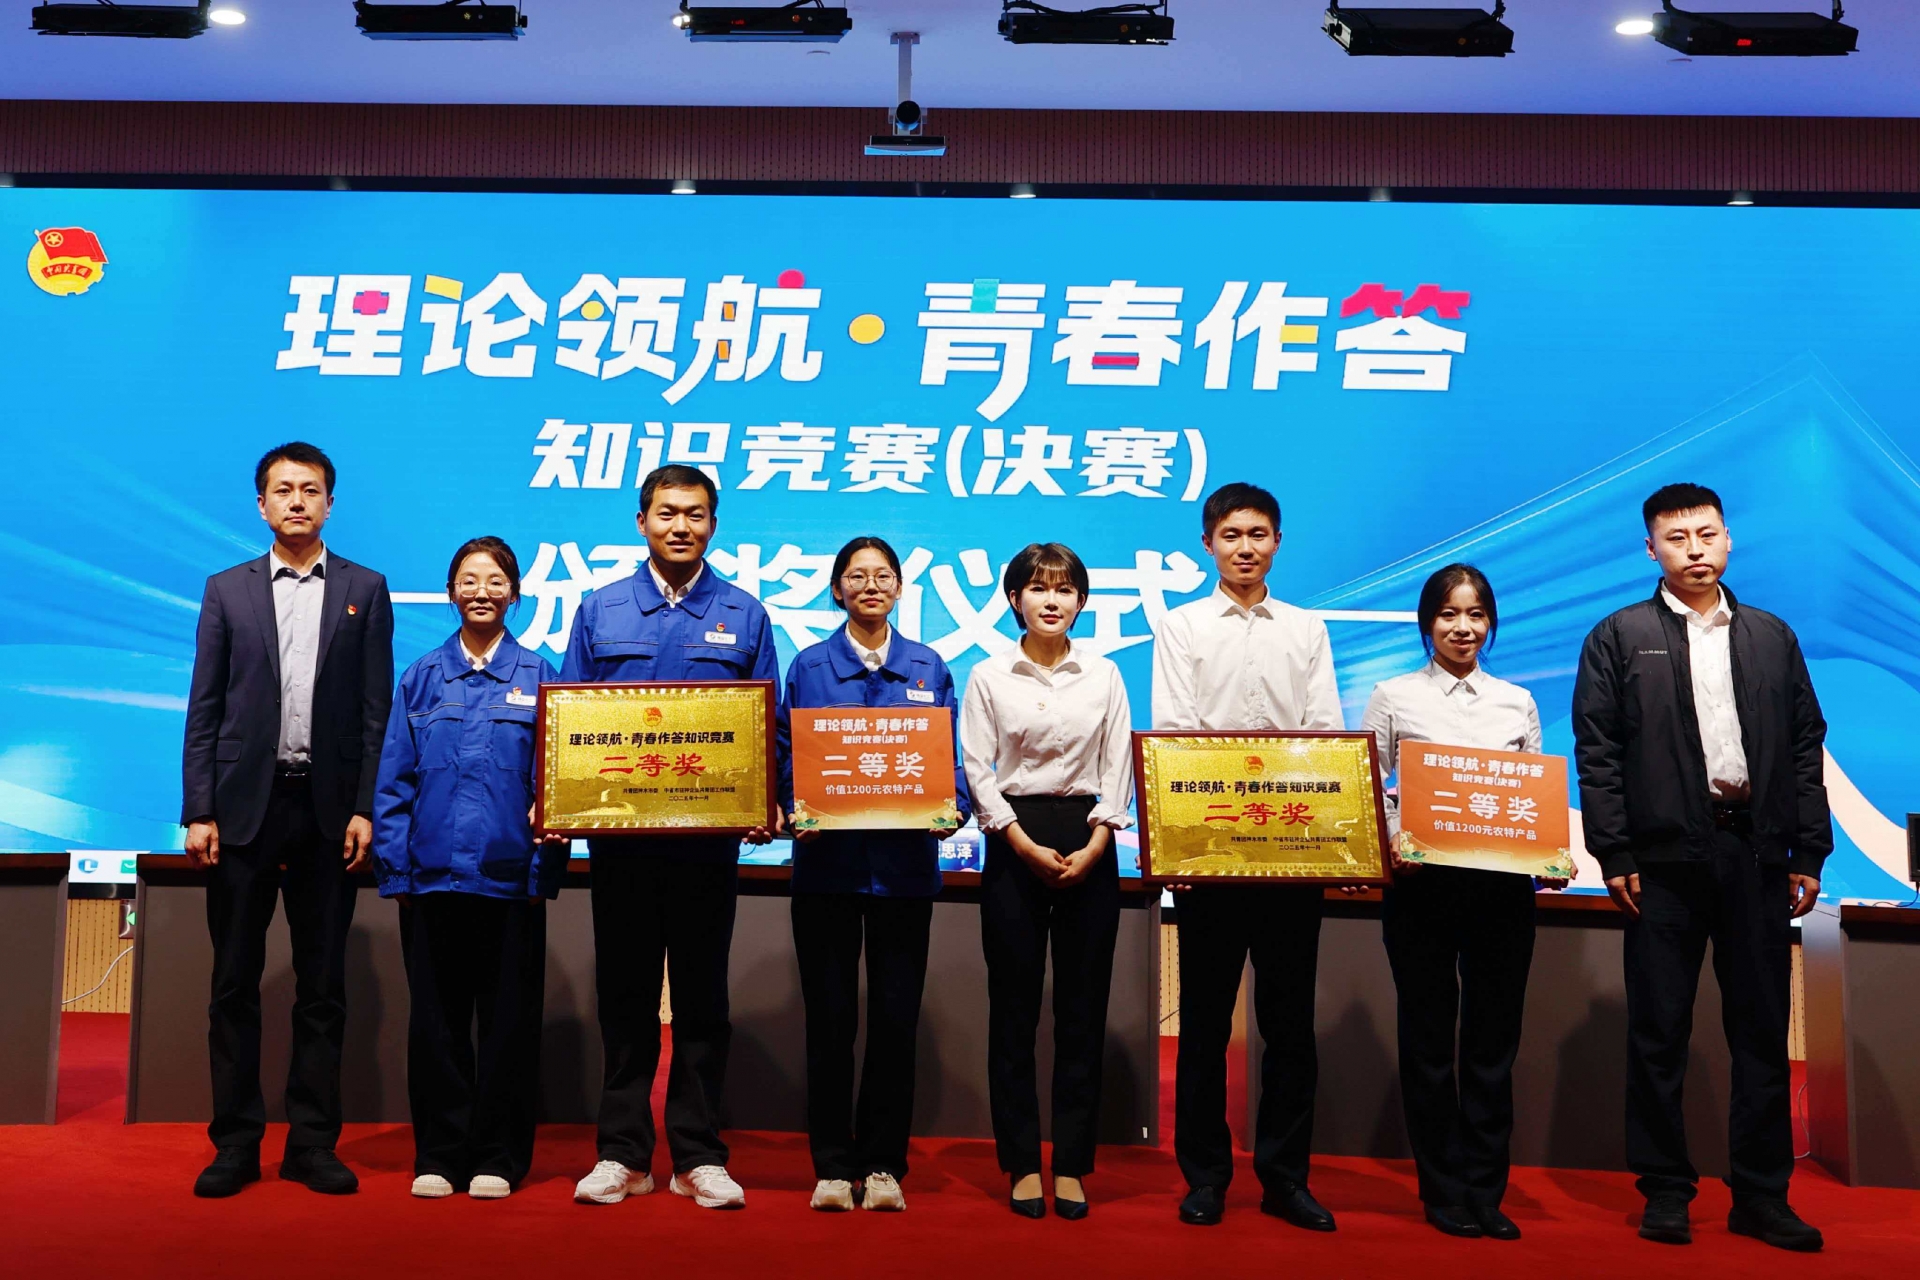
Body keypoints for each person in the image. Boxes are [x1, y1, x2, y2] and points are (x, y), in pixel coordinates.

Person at [1572, 483, 1830, 1253]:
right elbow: (1598, 751)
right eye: (1676, 538)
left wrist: (1808, 849)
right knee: (1659, 1030)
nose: (1694, 549)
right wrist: (1614, 851)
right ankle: (1665, 1190)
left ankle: (1762, 1196)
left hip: (1755, 854)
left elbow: (1804, 746)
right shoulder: (1619, 636)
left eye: (1706, 534)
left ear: (1727, 539)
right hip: (1661, 864)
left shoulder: (1771, 635)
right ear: (1650, 548)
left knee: (1762, 1030)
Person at [561, 465, 780, 1211]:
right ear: (642, 522)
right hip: (620, 843)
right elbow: (569, 724)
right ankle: (622, 1154)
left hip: (706, 845)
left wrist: (767, 801)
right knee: (624, 998)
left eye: (694, 513)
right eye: (666, 512)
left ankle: (698, 1155)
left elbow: (767, 726)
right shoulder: (601, 609)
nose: (680, 525)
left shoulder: (744, 614)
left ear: (713, 525)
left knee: (701, 998)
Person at [181, 441, 394, 1198]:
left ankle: (312, 1143)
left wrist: (367, 805)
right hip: (243, 808)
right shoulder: (226, 590)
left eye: (310, 489)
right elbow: (205, 706)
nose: (297, 500)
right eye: (283, 489)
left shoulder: (365, 588)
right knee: (233, 984)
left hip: (328, 811)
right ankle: (235, 1144)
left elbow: (375, 711)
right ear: (262, 504)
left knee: (323, 987)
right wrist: (199, 808)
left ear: (330, 503)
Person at [1151, 482, 1343, 1230]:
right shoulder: (1182, 626)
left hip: (1293, 852)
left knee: (1289, 1027)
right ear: (1208, 545)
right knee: (1203, 1026)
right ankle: (1205, 1177)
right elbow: (1174, 731)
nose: (1245, 547)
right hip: (1210, 853)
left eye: (1258, 534)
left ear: (1278, 542)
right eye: (1231, 535)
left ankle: (1285, 1178)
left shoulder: (1305, 627)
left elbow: (1324, 730)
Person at [1363, 563, 1565, 1242]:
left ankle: (1486, 1188)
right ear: (1427, 623)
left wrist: (1549, 854)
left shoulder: (1516, 701)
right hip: (1423, 889)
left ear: (1491, 623)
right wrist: (1394, 839)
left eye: (1476, 614)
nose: (1463, 627)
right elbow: (1373, 788)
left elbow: (1532, 796)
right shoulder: (1393, 696)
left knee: (1491, 1045)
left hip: (1502, 894)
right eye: (1449, 614)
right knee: (1427, 1043)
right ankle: (1442, 1189)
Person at [780, 535, 971, 1214]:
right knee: (829, 1023)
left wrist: (954, 807)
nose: (870, 585)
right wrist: (789, 805)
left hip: (904, 875)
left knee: (895, 1020)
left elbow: (949, 755)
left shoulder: (927, 665)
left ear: (899, 588)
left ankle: (885, 1164)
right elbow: (786, 752)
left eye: (883, 575)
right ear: (837, 589)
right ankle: (833, 1165)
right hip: (826, 873)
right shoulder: (808, 665)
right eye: (856, 576)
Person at [372, 537, 565, 1201]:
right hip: (432, 881)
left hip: (510, 885)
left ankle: (499, 1159)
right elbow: (393, 782)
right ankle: (439, 1154)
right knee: (436, 1026)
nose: (482, 591)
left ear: (515, 593)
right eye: (469, 580)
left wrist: (543, 875)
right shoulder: (422, 676)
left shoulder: (542, 676)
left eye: (495, 580)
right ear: (452, 592)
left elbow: (560, 787)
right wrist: (396, 872)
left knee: (509, 1028)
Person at [961, 542, 1134, 1221]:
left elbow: (1117, 763)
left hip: (1090, 835)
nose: (1051, 600)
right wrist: (1021, 841)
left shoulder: (1105, 673)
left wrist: (1098, 842)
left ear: (1081, 601)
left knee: (1082, 1012)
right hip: (1015, 838)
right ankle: (1021, 1162)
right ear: (1015, 600)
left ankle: (1071, 1164)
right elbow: (977, 769)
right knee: (1013, 1010)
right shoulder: (988, 675)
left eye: (1064, 589)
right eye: (1037, 588)